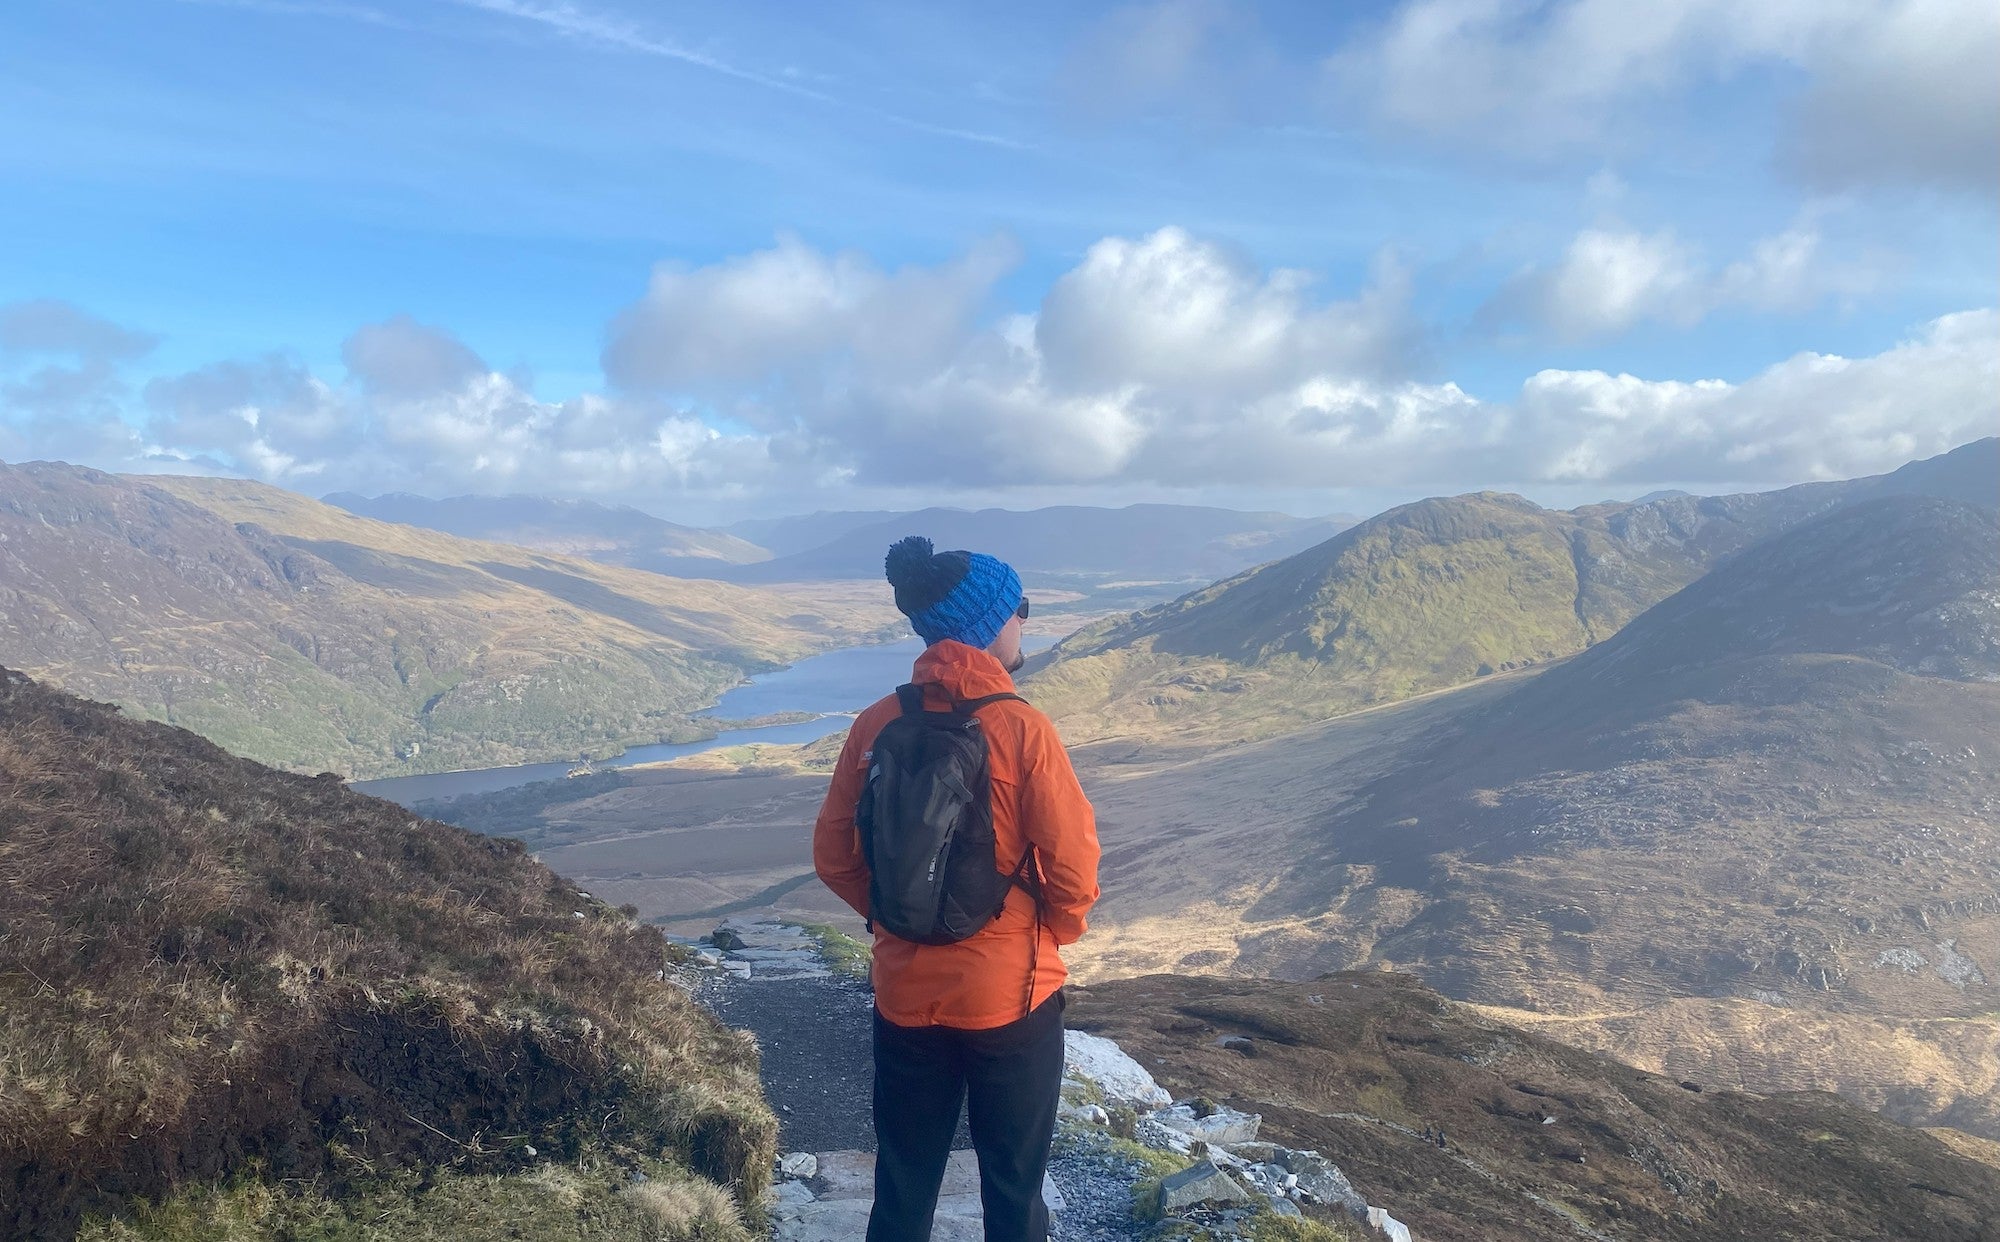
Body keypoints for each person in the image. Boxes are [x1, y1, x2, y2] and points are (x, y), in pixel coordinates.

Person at [814, 536, 1101, 1242]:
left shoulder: (878, 723)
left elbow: (833, 854)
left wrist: (895, 920)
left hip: (905, 991)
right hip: (1010, 996)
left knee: (905, 1179)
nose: (1025, 622)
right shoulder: (1022, 728)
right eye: (1020, 609)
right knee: (1012, 1186)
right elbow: (1072, 866)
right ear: (988, 624)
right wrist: (1048, 933)